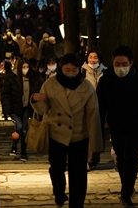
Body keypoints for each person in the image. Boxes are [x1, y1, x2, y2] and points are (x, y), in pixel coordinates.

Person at [31, 53, 103, 208]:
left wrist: (94, 144)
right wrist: (35, 99)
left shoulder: (87, 87)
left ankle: (76, 204)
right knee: (56, 168)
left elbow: (93, 115)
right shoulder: (50, 84)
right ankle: (59, 190)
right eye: (67, 69)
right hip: (56, 134)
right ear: (61, 68)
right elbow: (44, 109)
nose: (70, 73)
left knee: (78, 174)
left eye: (74, 70)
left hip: (79, 135)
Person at [96, 46, 138, 206]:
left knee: (131, 157)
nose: (120, 67)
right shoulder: (106, 80)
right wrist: (99, 128)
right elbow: (101, 105)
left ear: (131, 63)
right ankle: (127, 186)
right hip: (116, 126)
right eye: (117, 64)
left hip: (137, 126)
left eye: (124, 63)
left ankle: (126, 194)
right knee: (121, 158)